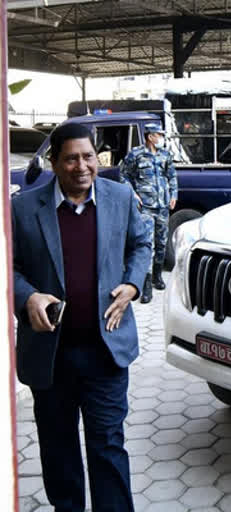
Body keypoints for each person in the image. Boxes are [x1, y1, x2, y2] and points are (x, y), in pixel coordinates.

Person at [12, 122, 151, 512]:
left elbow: (140, 244)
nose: (82, 166)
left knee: (107, 447)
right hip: (50, 355)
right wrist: (27, 297)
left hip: (105, 352)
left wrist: (133, 285)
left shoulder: (120, 196)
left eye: (88, 156)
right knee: (59, 452)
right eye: (71, 158)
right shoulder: (23, 208)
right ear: (53, 162)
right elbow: (10, 266)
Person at [119, 121, 177, 304]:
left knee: (161, 243)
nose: (161, 138)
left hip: (163, 206)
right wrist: (133, 195)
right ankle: (145, 286)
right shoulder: (135, 154)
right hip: (144, 208)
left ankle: (157, 277)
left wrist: (174, 195)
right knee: (147, 244)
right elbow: (124, 176)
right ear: (150, 136)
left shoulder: (165, 155)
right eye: (159, 135)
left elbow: (172, 176)